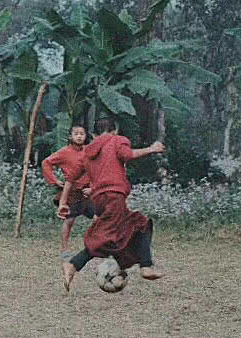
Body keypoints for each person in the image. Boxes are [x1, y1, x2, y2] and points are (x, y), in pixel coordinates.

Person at [58, 116, 165, 291]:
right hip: (114, 196)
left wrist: (63, 202)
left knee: (128, 229)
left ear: (93, 134)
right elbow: (127, 154)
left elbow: (70, 178)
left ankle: (144, 265)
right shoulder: (117, 140)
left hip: (99, 199)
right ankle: (145, 267)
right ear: (115, 130)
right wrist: (151, 149)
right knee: (133, 227)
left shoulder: (86, 152)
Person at [41, 124, 94, 254]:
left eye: (82, 133)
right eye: (76, 134)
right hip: (72, 191)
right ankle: (64, 248)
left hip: (89, 190)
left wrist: (93, 187)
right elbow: (46, 163)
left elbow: (96, 169)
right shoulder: (64, 152)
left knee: (99, 217)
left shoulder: (89, 151)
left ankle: (96, 245)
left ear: (86, 136)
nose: (79, 136)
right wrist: (55, 181)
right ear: (71, 136)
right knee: (69, 220)